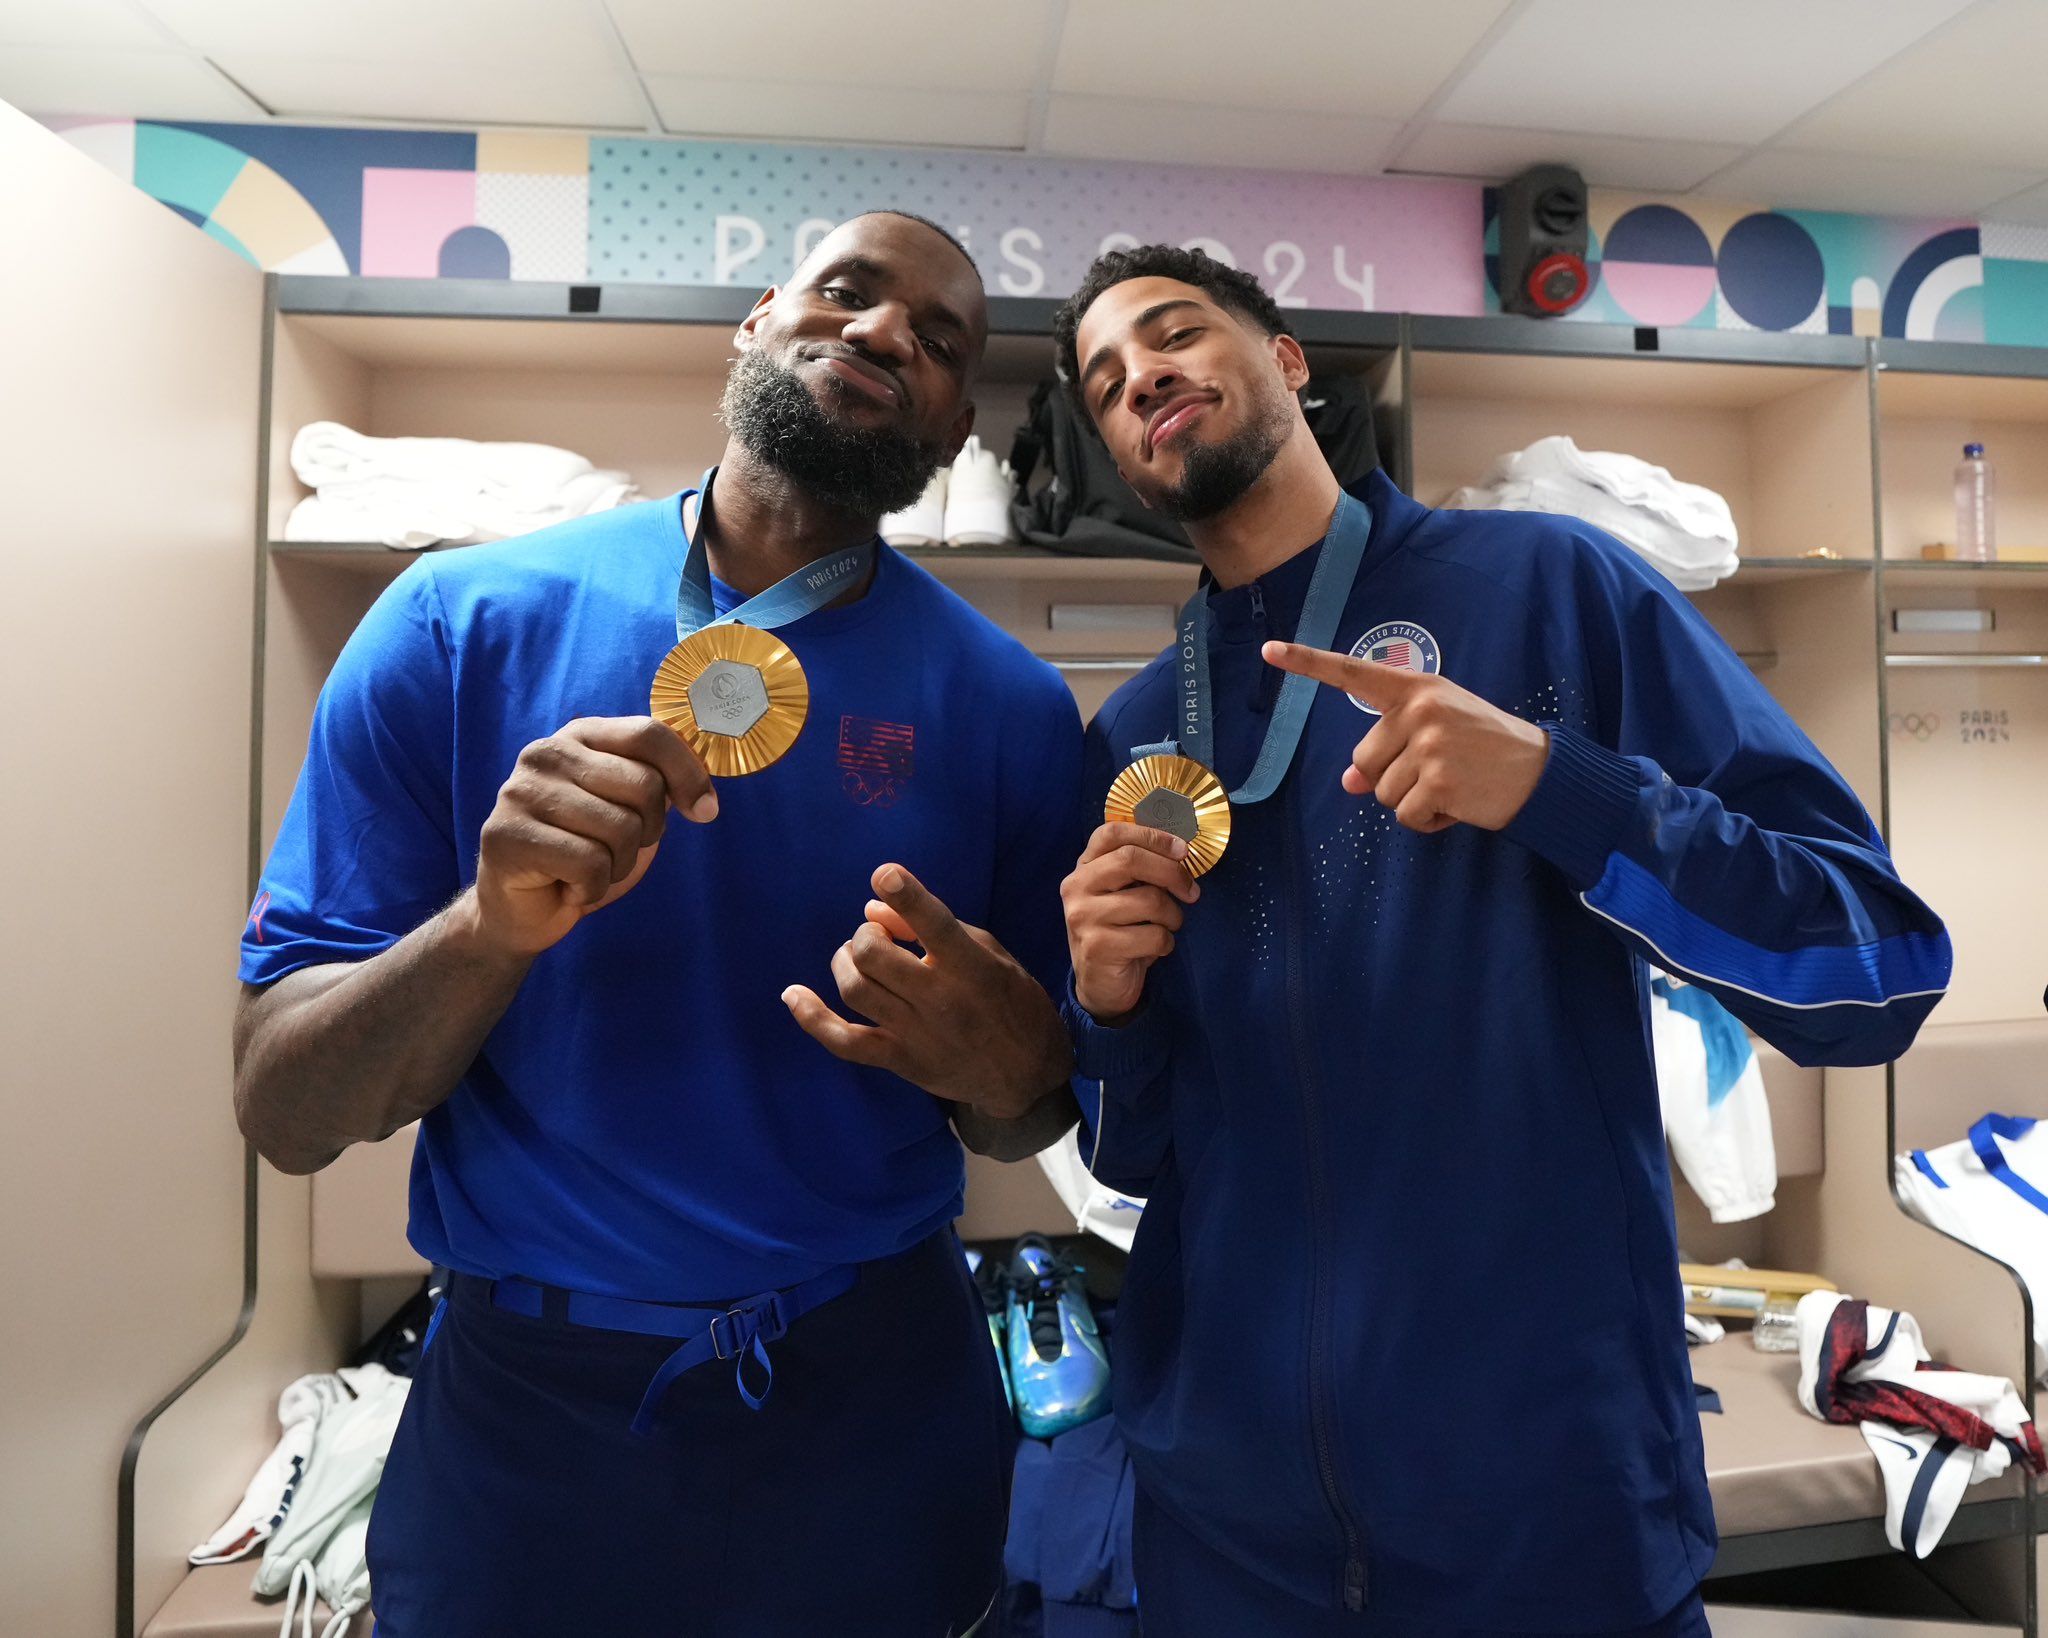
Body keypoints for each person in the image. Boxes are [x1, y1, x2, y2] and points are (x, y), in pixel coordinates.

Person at [1052, 245, 1951, 1636]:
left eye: (1174, 334)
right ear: (1120, 455)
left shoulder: (1551, 592)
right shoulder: (1136, 735)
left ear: (1286, 360)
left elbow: (1875, 968)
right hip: (1226, 1533)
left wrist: (1564, 791)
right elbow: (1130, 1159)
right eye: (1107, 383)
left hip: (1544, 1509)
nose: (1142, 379)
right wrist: (1106, 1006)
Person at [233, 211, 1083, 1638]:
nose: (885, 331)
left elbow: (1027, 1116)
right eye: (847, 291)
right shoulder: (455, 622)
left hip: (875, 1409)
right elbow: (285, 1109)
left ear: (953, 437)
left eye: (942, 342)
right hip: (529, 1428)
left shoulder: (1012, 708)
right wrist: (486, 929)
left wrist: (1008, 1068)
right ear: (757, 321)